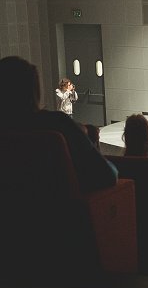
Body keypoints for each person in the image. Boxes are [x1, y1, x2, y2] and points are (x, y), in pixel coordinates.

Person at [0, 56, 117, 191]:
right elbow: (107, 175)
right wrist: (91, 143)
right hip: (59, 207)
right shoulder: (57, 124)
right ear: (34, 90)